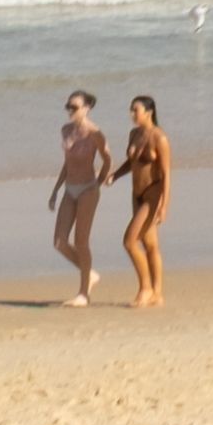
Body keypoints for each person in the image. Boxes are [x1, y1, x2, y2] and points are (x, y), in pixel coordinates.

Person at [51, 93, 110, 305]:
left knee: (81, 242)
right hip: (69, 189)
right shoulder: (66, 130)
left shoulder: (95, 134)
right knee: (59, 242)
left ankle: (83, 294)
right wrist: (56, 190)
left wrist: (100, 181)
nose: (70, 110)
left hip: (88, 189)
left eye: (74, 107)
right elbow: (67, 163)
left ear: (87, 108)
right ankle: (90, 274)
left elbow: (107, 159)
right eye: (68, 106)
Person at [118, 97, 176, 306]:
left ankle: (146, 288)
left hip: (153, 195)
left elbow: (167, 173)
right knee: (150, 244)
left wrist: (164, 205)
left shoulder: (159, 138)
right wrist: (114, 175)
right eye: (131, 110)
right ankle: (158, 294)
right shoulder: (134, 134)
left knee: (129, 241)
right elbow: (131, 163)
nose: (132, 114)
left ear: (149, 112)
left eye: (136, 110)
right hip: (136, 194)